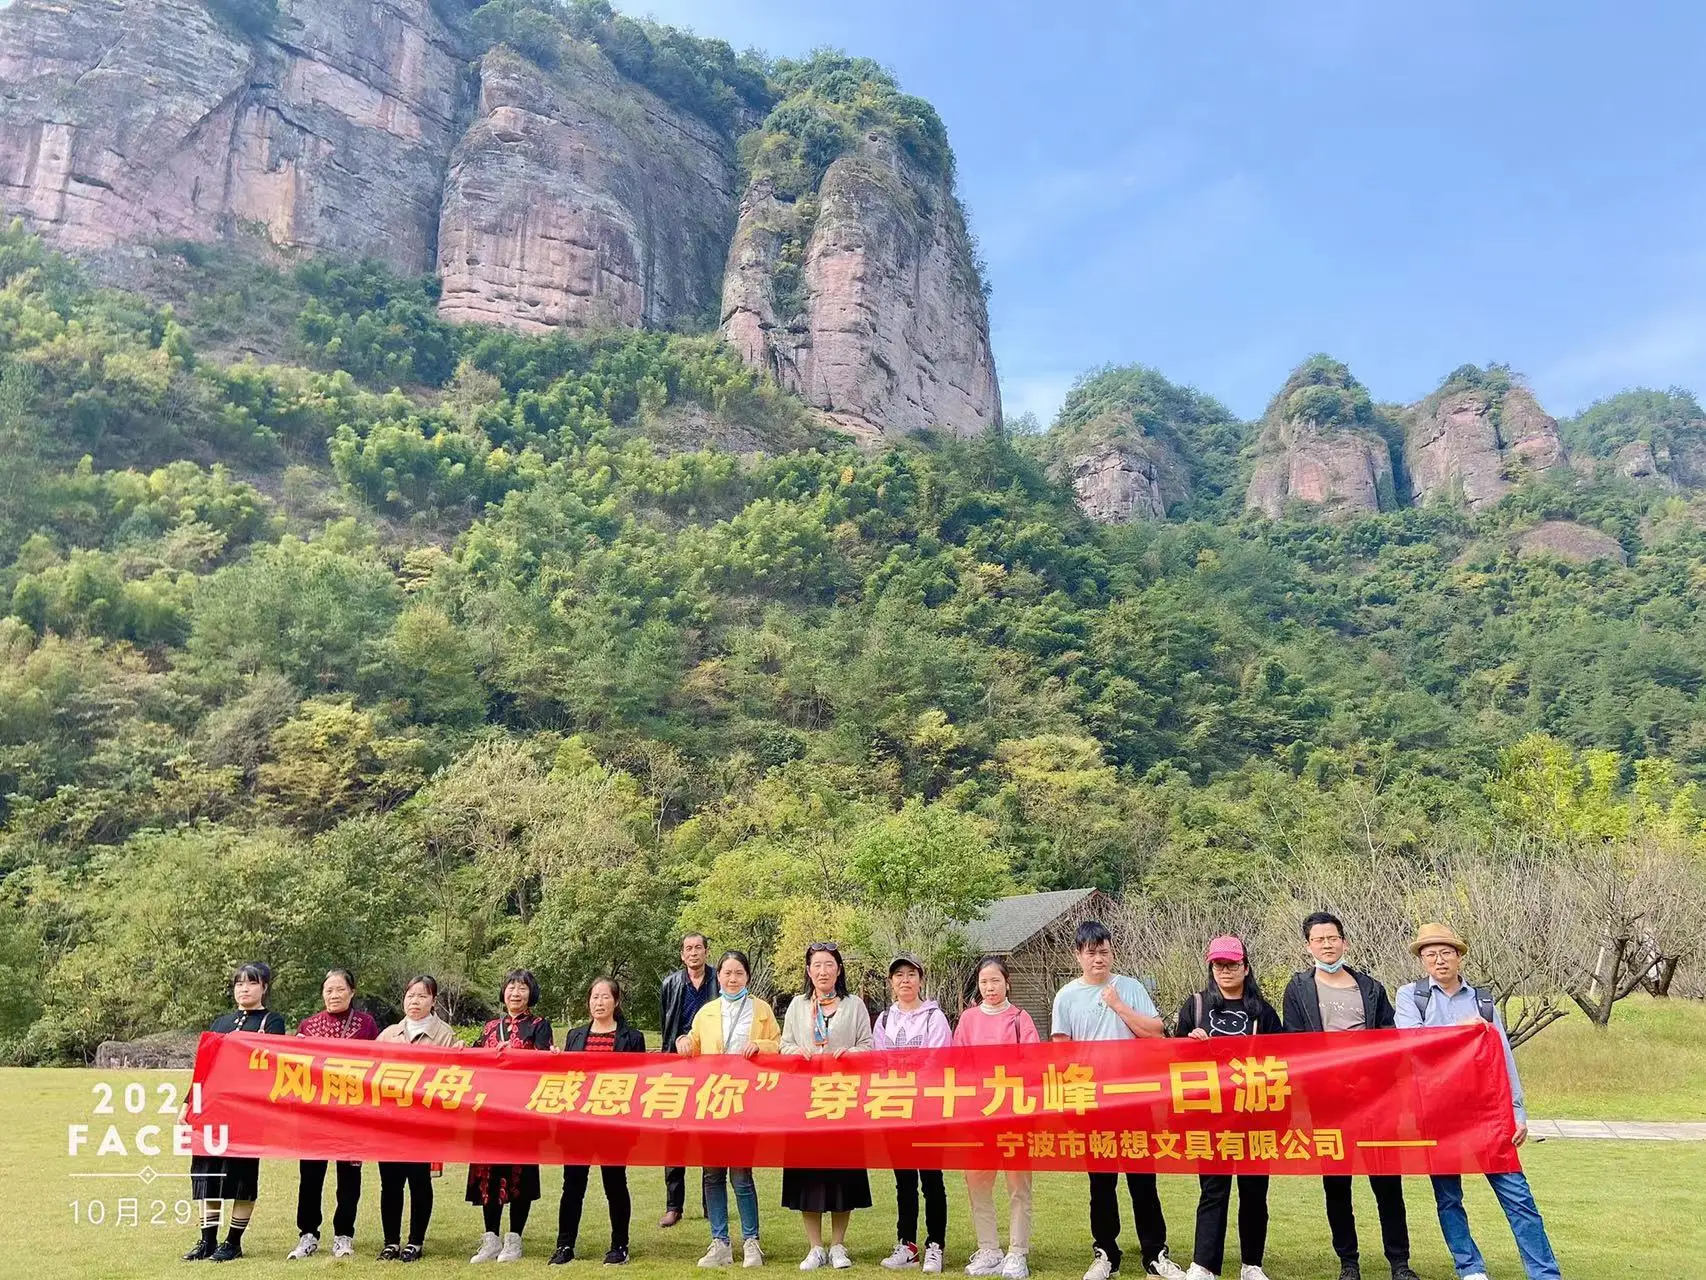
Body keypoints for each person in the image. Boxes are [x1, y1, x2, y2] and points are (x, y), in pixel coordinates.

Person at [1395, 924, 1561, 1280]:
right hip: (1437, 1113)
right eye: (1430, 955)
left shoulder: (1482, 1000)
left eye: (1446, 952)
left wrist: (1517, 1111)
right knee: (1448, 1198)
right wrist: (1464, 1030)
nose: (1439, 960)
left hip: (1487, 1113)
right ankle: (1469, 1267)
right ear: (1422, 961)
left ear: (1459, 956)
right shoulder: (1410, 996)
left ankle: (1545, 1272)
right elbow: (1411, 1042)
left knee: (1518, 1197)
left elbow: (1503, 1057)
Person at [1280, 913, 1418, 1280]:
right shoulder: (1298, 988)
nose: (1327, 945)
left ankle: (1399, 1262)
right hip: (1328, 1102)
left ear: (1344, 942)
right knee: (1337, 1185)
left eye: (1333, 938)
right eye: (1319, 939)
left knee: (1387, 1183)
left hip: (1374, 1100)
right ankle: (1348, 1262)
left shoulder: (1369, 987)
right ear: (1308, 946)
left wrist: (1374, 1077)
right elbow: (1293, 1042)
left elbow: (1389, 1037)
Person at [1051, 920, 1186, 1280]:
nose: (1098, 959)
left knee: (1143, 1180)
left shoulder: (1130, 987)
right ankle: (1105, 1253)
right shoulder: (1066, 996)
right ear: (1078, 955)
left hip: (1134, 1099)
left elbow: (1155, 1032)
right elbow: (1061, 1052)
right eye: (1091, 952)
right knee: (1101, 1183)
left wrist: (1117, 1005)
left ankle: (1155, 1254)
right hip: (1093, 1102)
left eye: (1104, 952)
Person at [1175, 937, 1283, 1280]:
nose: (1225, 970)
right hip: (1209, 1117)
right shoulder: (1195, 1006)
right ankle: (1204, 1264)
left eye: (1232, 964)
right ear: (1211, 968)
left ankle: (1252, 1264)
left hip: (1254, 1116)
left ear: (1246, 968)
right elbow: (1174, 1060)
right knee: (1213, 1191)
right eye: (1218, 965)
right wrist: (1191, 1045)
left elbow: (1282, 1062)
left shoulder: (1263, 1012)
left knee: (1254, 1193)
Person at [678, 949, 782, 1269]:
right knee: (712, 1174)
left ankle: (751, 1242)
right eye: (727, 973)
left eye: (738, 973)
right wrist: (683, 1042)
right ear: (719, 976)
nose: (732, 978)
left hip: (746, 1102)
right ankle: (720, 1242)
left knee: (741, 1173)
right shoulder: (707, 1012)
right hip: (712, 1102)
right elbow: (693, 1043)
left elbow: (780, 1045)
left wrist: (761, 1046)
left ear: (747, 976)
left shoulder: (761, 1010)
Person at [183, 962, 287, 1262]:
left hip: (247, 1112)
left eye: (251, 983)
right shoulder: (221, 1022)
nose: (244, 989)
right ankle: (207, 1241)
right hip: (212, 1109)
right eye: (239, 983)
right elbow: (204, 1068)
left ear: (264, 987)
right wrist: (188, 1103)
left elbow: (273, 1064)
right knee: (207, 1173)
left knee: (241, 1175)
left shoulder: (272, 1021)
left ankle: (233, 1242)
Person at [780, 942, 874, 1271]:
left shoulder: (854, 1005)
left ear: (839, 969)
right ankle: (815, 1247)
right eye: (817, 965)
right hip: (805, 1102)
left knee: (841, 1175)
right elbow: (785, 1045)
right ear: (808, 971)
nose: (823, 971)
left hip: (842, 1101)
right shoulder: (797, 1006)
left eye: (829, 965)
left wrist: (850, 1054)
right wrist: (797, 1052)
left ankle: (838, 1246)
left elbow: (868, 1046)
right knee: (807, 1175)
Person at [952, 957, 1039, 1280]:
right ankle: (988, 1248)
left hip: (1013, 1115)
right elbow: (957, 1065)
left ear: (1007, 983)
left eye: (995, 981)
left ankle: (1017, 1251)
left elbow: (1033, 1066)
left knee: (1018, 1185)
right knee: (977, 1183)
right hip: (978, 1117)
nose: (989, 987)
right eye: (984, 982)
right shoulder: (968, 1019)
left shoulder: (1020, 1018)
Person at [287, 968, 381, 1260]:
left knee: (349, 1177)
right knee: (310, 1176)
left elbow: (378, 1063)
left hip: (352, 1113)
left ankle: (344, 1234)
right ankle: (307, 1234)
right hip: (315, 1114)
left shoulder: (366, 1024)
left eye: (340, 989)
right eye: (329, 990)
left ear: (352, 992)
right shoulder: (308, 1026)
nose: (334, 995)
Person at [553, 977, 646, 1266]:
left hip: (614, 1124)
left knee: (615, 1184)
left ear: (616, 1001)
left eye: (605, 997)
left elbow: (640, 1081)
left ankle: (619, 1245)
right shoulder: (575, 1036)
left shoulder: (632, 1038)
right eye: (594, 997)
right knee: (572, 1186)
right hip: (578, 1124)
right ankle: (565, 1245)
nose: (599, 1002)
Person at [873, 954, 953, 1275]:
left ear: (920, 979)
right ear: (891, 982)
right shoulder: (884, 1019)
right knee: (904, 1181)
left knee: (931, 1180)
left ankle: (935, 1245)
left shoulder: (934, 1017)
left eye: (911, 974)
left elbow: (938, 1060)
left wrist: (908, 1075)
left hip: (929, 1110)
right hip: (896, 1109)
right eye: (899, 975)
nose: (905, 980)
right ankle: (906, 1244)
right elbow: (879, 1062)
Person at [468, 968, 554, 1264]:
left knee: (519, 1174)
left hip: (521, 1113)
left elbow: (542, 1063)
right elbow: (474, 1062)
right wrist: (463, 1052)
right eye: (511, 987)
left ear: (531, 993)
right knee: (488, 1175)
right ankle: (490, 1238)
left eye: (522, 988)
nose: (515, 993)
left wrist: (515, 1056)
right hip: (489, 1113)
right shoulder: (491, 1027)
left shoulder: (539, 1025)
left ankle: (514, 1238)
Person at [375, 975, 458, 1262]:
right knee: (390, 1183)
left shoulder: (445, 1035)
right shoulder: (389, 1034)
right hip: (390, 1121)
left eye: (422, 996)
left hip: (423, 1122)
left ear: (433, 1000)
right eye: (410, 995)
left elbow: (451, 1074)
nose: (415, 1001)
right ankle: (390, 1241)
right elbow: (368, 1070)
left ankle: (415, 1242)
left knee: (419, 1180)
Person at [660, 933, 718, 1228]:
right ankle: (674, 1205)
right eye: (688, 949)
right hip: (678, 1065)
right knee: (675, 1136)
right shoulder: (671, 983)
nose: (694, 953)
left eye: (698, 948)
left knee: (711, 1135)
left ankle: (711, 1202)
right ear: (682, 955)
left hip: (713, 1066)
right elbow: (666, 1025)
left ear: (706, 952)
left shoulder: (719, 980)